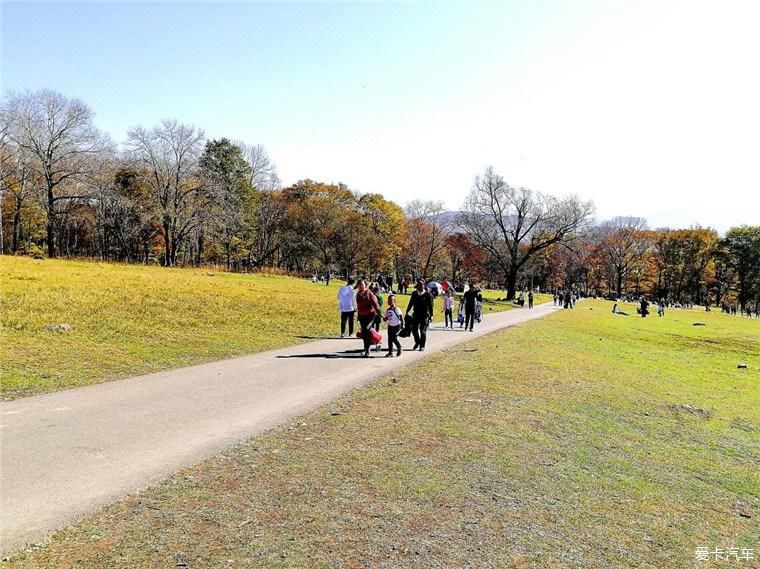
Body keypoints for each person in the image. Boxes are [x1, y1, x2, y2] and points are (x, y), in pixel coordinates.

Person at [405, 279, 434, 350]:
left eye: (422, 285)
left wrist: (431, 315)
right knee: (414, 329)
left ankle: (422, 346)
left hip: (425, 315)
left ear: (424, 286)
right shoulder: (414, 293)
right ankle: (417, 342)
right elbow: (411, 303)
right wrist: (407, 312)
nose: (420, 286)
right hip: (416, 314)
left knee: (422, 330)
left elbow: (430, 306)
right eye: (419, 285)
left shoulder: (428, 294)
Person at [355, 279, 381, 357]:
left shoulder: (369, 293)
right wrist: (358, 316)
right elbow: (358, 306)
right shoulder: (358, 294)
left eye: (362, 284)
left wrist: (379, 313)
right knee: (364, 333)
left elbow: (375, 304)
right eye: (359, 285)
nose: (360, 286)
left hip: (370, 315)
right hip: (362, 316)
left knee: (367, 330)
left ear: (365, 285)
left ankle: (369, 348)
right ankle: (366, 348)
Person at [371, 283, 385, 351]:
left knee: (375, 325)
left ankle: (375, 336)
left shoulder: (378, 297)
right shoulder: (376, 296)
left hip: (375, 313)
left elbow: (380, 303)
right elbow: (380, 303)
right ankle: (375, 336)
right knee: (375, 325)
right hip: (375, 313)